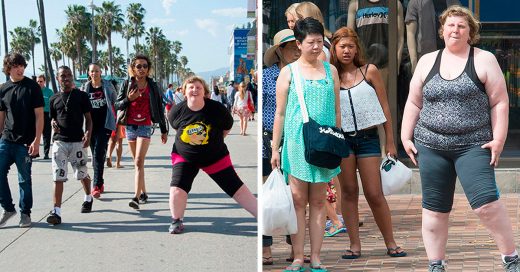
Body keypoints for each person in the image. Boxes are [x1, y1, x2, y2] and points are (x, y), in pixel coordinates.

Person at [401, 6, 519, 271]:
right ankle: (436, 264)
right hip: (430, 145)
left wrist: (498, 140)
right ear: (442, 30)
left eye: (462, 26)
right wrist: (405, 136)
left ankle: (511, 257)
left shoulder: (484, 59)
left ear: (471, 33)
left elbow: (500, 102)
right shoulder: (427, 60)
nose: (455, 30)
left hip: (473, 144)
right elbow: (413, 102)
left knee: (486, 204)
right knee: (434, 209)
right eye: (451, 25)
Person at [330, 26, 406, 259]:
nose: (346, 51)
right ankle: (355, 245)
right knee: (349, 192)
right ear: (334, 48)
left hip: (368, 139)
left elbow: (384, 107)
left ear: (357, 49)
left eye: (351, 46)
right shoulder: (330, 76)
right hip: (342, 140)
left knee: (374, 193)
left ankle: (391, 242)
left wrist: (390, 142)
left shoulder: (369, 71)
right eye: (342, 46)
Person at [271, 17, 341, 272]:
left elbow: (336, 111)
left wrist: (338, 140)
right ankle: (299, 256)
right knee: (299, 202)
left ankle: (317, 257)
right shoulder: (288, 72)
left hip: (324, 144)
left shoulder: (330, 71)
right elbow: (280, 113)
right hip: (297, 145)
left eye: (319, 42)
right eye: (310, 42)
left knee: (320, 202)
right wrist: (275, 148)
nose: (315, 47)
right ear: (298, 44)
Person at [166, 76, 257, 234]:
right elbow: (177, 128)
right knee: (177, 189)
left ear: (205, 92)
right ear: (184, 92)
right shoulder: (176, 111)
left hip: (215, 157)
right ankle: (176, 220)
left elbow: (226, 128)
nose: (194, 90)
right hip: (184, 157)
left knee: (238, 189)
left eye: (198, 87)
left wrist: (213, 143)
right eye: (191, 87)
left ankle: (262, 218)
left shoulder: (216, 108)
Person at [262, 28, 301, 266]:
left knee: (293, 195)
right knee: (268, 195)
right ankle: (266, 248)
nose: (296, 50)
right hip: (268, 140)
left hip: (295, 138)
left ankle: (293, 246)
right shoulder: (266, 76)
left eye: (297, 45)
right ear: (279, 51)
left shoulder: (303, 73)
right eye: (290, 47)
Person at [115, 54, 168, 210]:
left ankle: (136, 198)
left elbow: (159, 107)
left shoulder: (153, 86)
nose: (142, 69)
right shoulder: (126, 84)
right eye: (138, 66)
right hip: (130, 127)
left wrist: (163, 130)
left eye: (145, 66)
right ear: (133, 68)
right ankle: (144, 192)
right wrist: (128, 100)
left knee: (138, 161)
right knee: (138, 164)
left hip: (145, 126)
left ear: (148, 68)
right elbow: (117, 105)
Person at [0, 53, 43, 228]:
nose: (20, 69)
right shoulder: (3, 89)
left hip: (25, 143)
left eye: (22, 65)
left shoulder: (32, 87)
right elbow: (1, 116)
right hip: (6, 140)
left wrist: (37, 140)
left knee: (24, 179)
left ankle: (25, 213)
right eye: (16, 66)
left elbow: (39, 116)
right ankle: (8, 209)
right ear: (8, 68)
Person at [47, 66, 93, 225]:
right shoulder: (53, 98)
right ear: (58, 78)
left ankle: (88, 197)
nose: (65, 78)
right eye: (62, 76)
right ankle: (56, 212)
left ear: (72, 77)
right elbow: (52, 117)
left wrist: (88, 134)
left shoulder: (81, 96)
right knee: (57, 175)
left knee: (81, 174)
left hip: (77, 141)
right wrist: (53, 123)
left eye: (68, 75)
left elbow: (88, 118)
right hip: (59, 141)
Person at [81, 63, 117, 199]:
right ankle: (100, 182)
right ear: (89, 73)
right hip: (90, 126)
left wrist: (116, 120)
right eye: (92, 71)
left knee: (97, 153)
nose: (94, 73)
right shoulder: (85, 87)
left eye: (97, 71)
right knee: (97, 153)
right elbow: (81, 106)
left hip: (105, 124)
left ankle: (95, 186)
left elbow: (114, 102)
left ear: (100, 72)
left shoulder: (107, 85)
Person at [405, 0, 460, 73]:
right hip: (425, 56)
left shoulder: (454, 2)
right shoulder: (416, 2)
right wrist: (414, 62)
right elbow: (410, 33)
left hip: (451, 56)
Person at [37, 74, 54, 160]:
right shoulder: (34, 91)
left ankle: (46, 153)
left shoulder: (49, 92)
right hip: (36, 116)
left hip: (47, 115)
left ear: (44, 82)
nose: (39, 83)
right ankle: (35, 152)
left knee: (47, 135)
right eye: (38, 81)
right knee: (35, 134)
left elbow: (53, 104)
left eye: (41, 81)